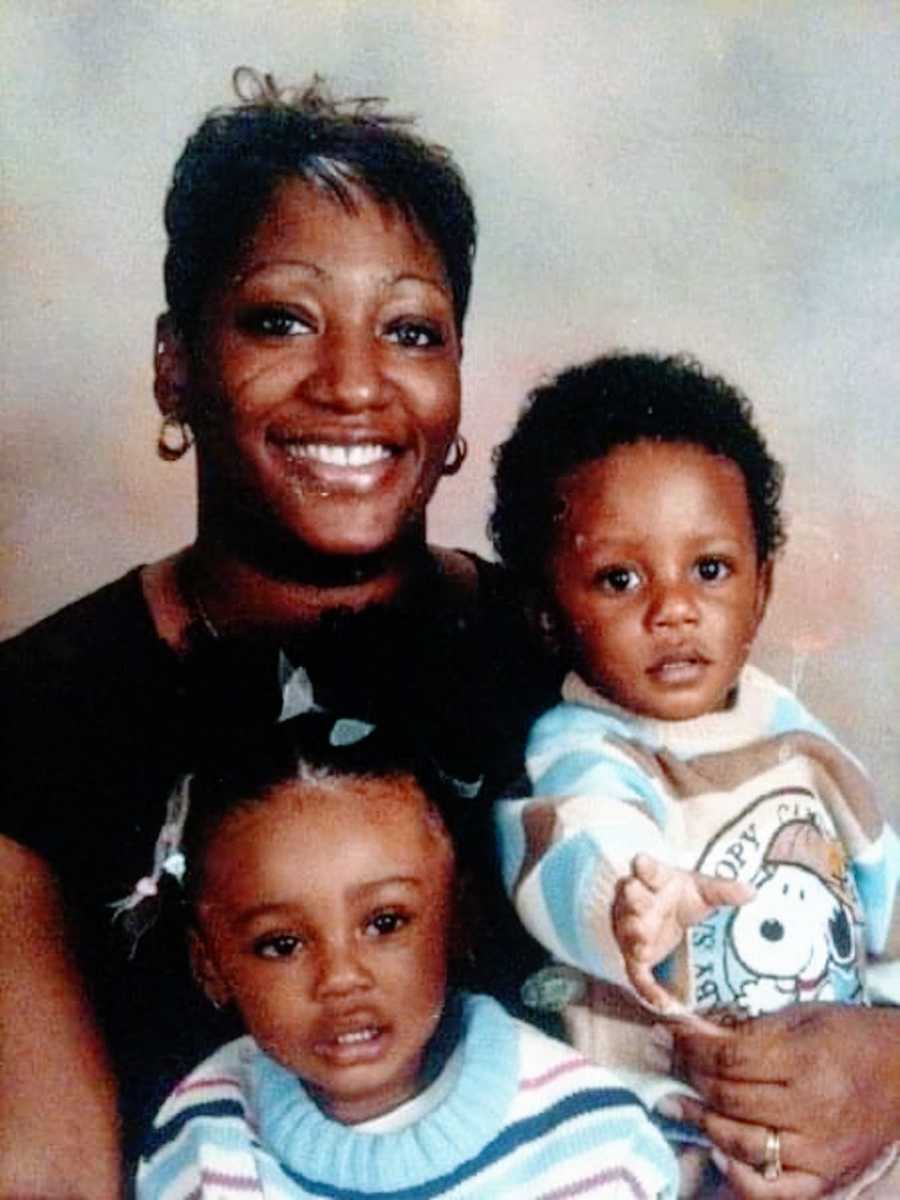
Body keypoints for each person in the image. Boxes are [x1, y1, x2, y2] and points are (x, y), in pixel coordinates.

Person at [0, 70, 552, 1195]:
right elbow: (47, 1169)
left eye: (409, 330)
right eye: (281, 319)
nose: (354, 386)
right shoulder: (36, 713)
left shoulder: (554, 643)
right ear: (176, 365)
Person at [491, 353, 900, 1197]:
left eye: (709, 570)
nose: (672, 608)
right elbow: (573, 848)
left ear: (762, 588)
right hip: (661, 1137)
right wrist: (637, 902)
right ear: (546, 614)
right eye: (619, 578)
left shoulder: (801, 741)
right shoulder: (584, 747)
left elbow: (883, 891)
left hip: (834, 1120)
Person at [134, 713, 680, 1198]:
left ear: (456, 920)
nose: (341, 978)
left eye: (385, 923)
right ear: (210, 966)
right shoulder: (203, 1136)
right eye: (282, 944)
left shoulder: (584, 1137)